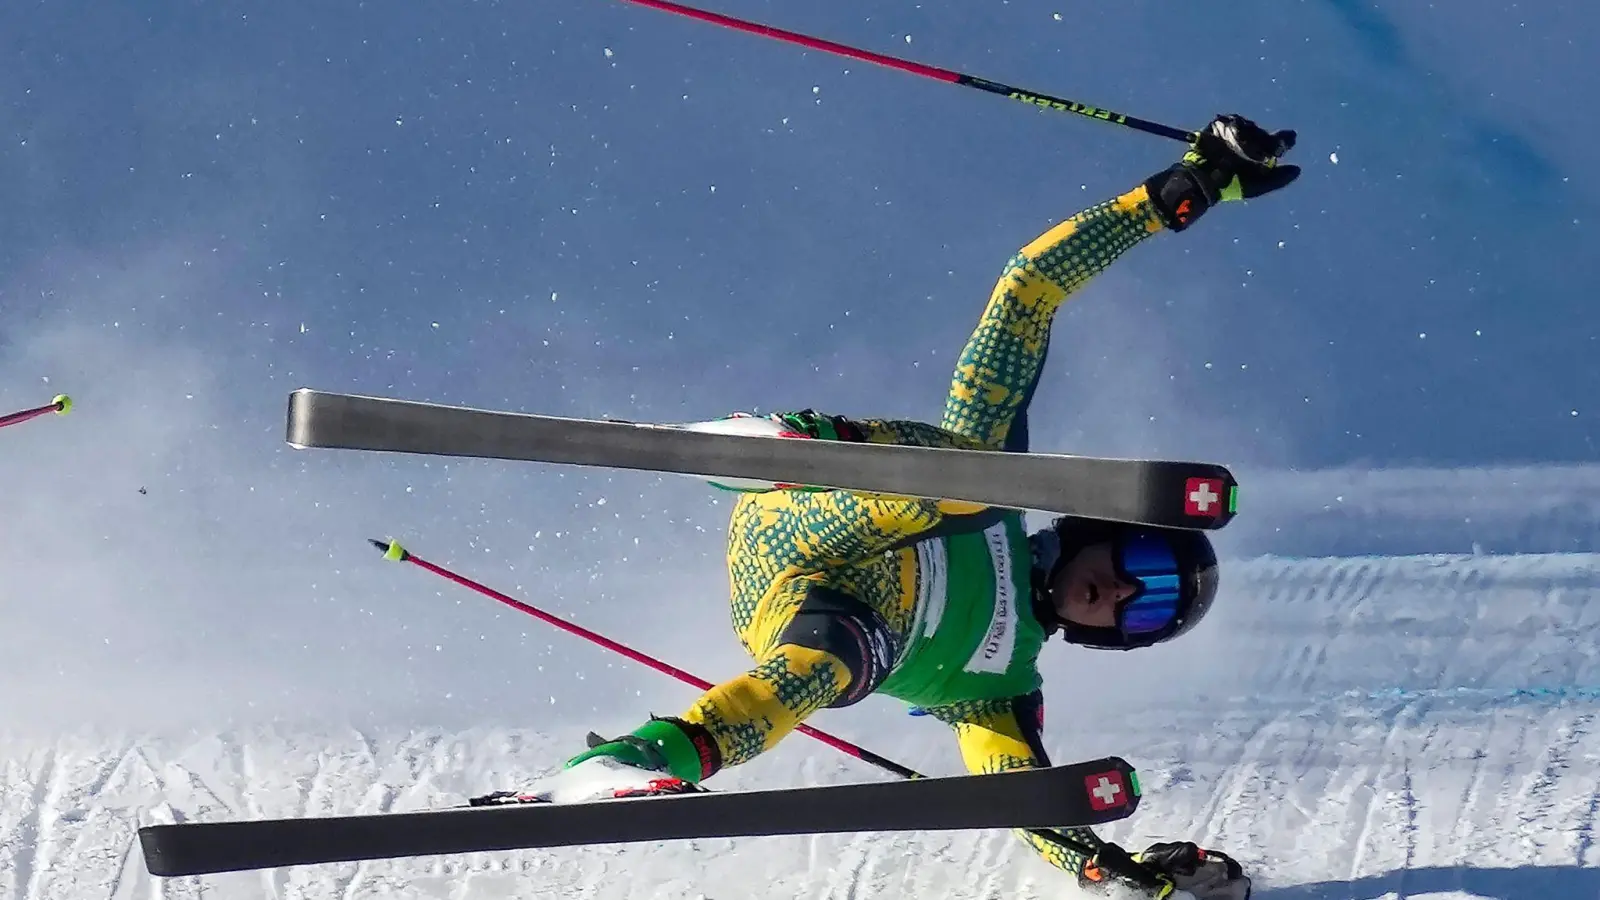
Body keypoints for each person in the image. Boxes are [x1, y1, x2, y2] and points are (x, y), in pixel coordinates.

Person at [531, 114, 1298, 900]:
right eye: (1144, 567)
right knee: (975, 474)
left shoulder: (1000, 685)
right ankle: (771, 451)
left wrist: (1115, 871)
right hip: (810, 512)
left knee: (837, 664)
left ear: (1118, 642)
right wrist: (1185, 188)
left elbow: (1028, 801)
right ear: (1106, 526)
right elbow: (1027, 293)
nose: (1126, 594)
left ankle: (626, 765)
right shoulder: (1009, 495)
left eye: (1148, 611)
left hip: (806, 612)